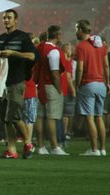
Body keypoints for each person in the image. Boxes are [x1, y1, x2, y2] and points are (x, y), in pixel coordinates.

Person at [0, 9, 38, 159]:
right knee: (5, 119)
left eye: (9, 18)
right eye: (4, 18)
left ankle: (28, 143)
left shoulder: (23, 37)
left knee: (14, 116)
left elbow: (32, 56)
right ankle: (12, 150)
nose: (6, 20)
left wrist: (14, 53)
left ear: (16, 20)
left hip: (16, 81)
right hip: (2, 82)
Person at [73, 19, 108, 156]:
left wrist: (77, 84)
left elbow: (80, 68)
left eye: (76, 29)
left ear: (81, 30)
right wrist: (108, 82)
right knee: (99, 117)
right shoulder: (101, 45)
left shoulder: (81, 46)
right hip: (101, 84)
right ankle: (103, 149)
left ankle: (94, 149)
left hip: (88, 84)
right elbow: (106, 65)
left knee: (89, 117)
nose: (75, 31)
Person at [33, 25, 70, 155]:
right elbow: (55, 72)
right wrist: (59, 88)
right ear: (58, 35)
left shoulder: (40, 47)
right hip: (50, 86)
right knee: (52, 117)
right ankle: (54, 146)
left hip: (39, 85)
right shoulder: (54, 51)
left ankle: (41, 146)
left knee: (40, 116)